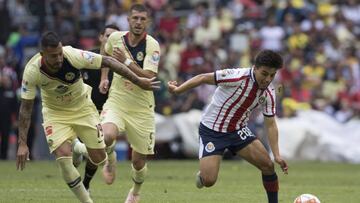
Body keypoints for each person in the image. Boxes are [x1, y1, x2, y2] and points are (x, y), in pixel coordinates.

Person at [16, 31, 160, 203]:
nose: (59, 58)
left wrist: (137, 80)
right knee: (63, 157)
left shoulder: (74, 55)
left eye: (60, 53)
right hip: (55, 114)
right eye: (54, 56)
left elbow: (108, 61)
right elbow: (25, 109)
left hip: (83, 108)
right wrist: (22, 143)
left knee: (99, 158)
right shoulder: (32, 72)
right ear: (42, 54)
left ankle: (79, 148)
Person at [167, 50, 288, 203]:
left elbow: (270, 124)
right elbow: (203, 78)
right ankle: (203, 174)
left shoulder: (269, 93)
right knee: (209, 180)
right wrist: (178, 90)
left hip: (238, 131)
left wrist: (277, 155)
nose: (268, 79)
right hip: (212, 130)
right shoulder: (236, 76)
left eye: (272, 75)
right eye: (264, 73)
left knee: (268, 165)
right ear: (255, 68)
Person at [100, 3, 160, 203]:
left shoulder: (152, 45)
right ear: (128, 20)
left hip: (142, 108)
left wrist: (126, 62)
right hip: (117, 100)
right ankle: (110, 159)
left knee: (138, 161)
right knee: (106, 135)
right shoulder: (116, 38)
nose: (139, 22)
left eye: (143, 19)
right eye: (135, 18)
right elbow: (105, 52)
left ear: (148, 22)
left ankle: (135, 192)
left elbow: (149, 77)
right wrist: (104, 77)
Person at [71, 24, 120, 192]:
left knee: (96, 150)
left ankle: (85, 184)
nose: (110, 40)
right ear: (100, 37)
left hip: (105, 115)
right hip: (82, 112)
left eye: (115, 37)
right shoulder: (87, 59)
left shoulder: (121, 65)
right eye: (107, 36)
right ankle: (80, 151)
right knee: (79, 154)